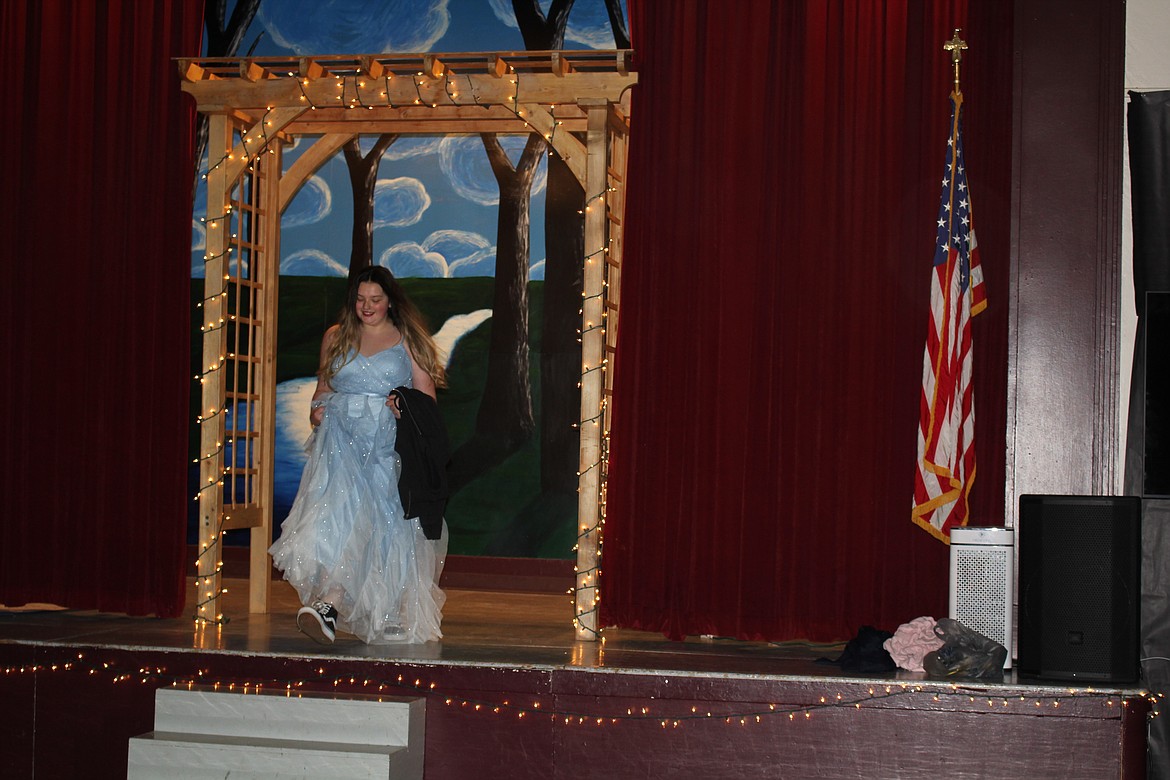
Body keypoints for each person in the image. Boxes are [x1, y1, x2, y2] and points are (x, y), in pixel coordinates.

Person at [269, 265, 448, 645]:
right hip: (340, 443)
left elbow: (426, 395)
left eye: (376, 300)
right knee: (342, 517)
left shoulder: (406, 340)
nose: (367, 307)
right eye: (361, 299)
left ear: (390, 302)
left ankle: (365, 608)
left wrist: (406, 409)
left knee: (384, 522)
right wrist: (316, 410)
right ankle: (331, 605)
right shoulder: (336, 336)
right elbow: (323, 386)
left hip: (387, 443)